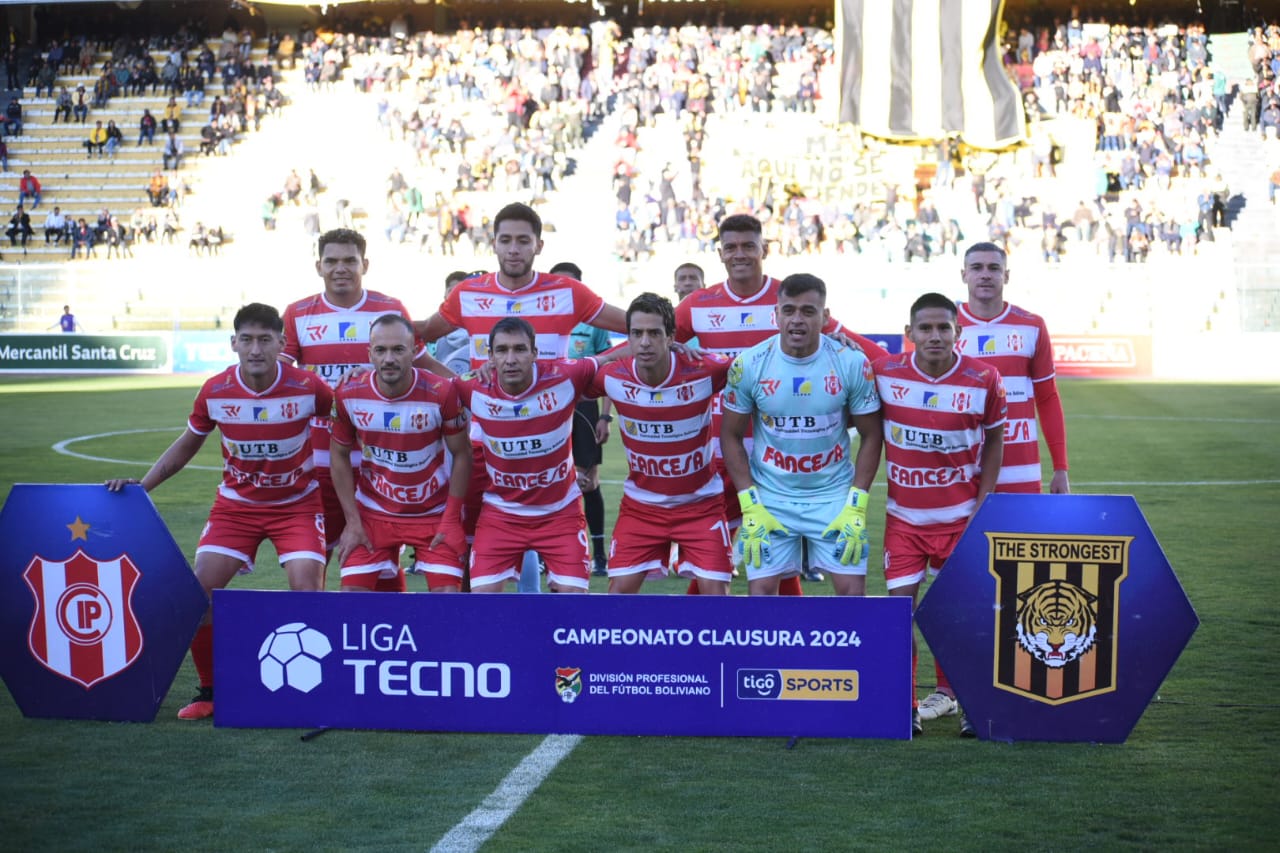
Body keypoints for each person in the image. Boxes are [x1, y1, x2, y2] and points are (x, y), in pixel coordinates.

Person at [105, 303, 334, 720]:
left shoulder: (309, 386)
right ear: (233, 343)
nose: (255, 349)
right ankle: (210, 690)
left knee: (307, 592)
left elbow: (344, 428)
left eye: (265, 340)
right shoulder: (215, 390)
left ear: (282, 344)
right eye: (247, 339)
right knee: (199, 594)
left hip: (297, 507)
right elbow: (187, 444)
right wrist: (143, 486)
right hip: (236, 509)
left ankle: (311, 691)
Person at [674, 213, 889, 593]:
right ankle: (720, 634)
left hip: (822, 485)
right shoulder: (733, 344)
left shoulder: (842, 353)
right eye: (731, 247)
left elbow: (880, 383)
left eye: (749, 246)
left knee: (844, 592)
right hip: (748, 475)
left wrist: (856, 502)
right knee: (731, 576)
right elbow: (650, 338)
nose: (797, 319)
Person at [412, 202, 630, 567]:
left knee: (546, 543)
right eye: (506, 240)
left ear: (539, 246)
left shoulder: (568, 292)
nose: (514, 249)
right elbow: (416, 336)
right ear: (494, 244)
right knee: (471, 548)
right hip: (483, 442)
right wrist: (459, 381)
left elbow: (637, 328)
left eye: (523, 241)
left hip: (548, 441)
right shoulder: (468, 293)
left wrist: (578, 375)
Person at [872, 292, 1006, 737]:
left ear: (958, 332)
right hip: (904, 522)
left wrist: (982, 505)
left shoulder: (984, 378)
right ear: (909, 334)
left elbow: (995, 442)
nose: (934, 336)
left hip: (959, 520)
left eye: (943, 328)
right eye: (925, 328)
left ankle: (969, 703)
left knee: (961, 617)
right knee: (899, 615)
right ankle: (906, 705)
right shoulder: (884, 373)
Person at [280, 228, 442, 575]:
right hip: (322, 459)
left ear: (364, 264)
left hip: (382, 463)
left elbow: (425, 365)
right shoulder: (297, 313)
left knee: (378, 562)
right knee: (316, 560)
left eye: (349, 260)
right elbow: (279, 373)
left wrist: (476, 389)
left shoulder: (390, 308)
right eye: (331, 261)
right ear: (318, 266)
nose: (340, 268)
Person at [720, 273, 883, 597]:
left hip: (834, 496)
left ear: (825, 316)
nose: (797, 319)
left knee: (853, 597)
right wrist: (750, 505)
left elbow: (872, 434)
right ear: (776, 314)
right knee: (761, 597)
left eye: (808, 311)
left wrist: (856, 504)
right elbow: (730, 435)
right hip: (771, 496)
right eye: (789, 310)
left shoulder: (851, 362)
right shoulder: (749, 364)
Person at [454, 317, 618, 593]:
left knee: (573, 600)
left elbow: (614, 356)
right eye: (502, 350)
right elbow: (430, 387)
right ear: (490, 356)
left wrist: (669, 346)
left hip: (560, 514)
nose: (511, 359)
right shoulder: (471, 387)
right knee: (481, 601)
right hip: (501, 515)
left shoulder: (565, 375)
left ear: (534, 353)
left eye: (519, 349)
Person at [589, 293, 735, 594]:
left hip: (701, 506)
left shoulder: (707, 369)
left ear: (671, 337)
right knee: (616, 598)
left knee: (716, 596)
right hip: (641, 508)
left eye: (654, 333)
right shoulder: (612, 375)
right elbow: (555, 380)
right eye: (637, 333)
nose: (645, 342)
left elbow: (762, 370)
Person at [329, 314, 471, 593]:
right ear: (369, 353)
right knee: (350, 602)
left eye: (398, 350)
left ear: (414, 352)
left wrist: (451, 518)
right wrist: (353, 521)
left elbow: (462, 454)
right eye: (380, 350)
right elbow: (339, 455)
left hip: (433, 513)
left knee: (447, 602)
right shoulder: (348, 392)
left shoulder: (442, 392)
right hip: (373, 513)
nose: (389, 359)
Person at [956, 243, 1069, 495]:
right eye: (977, 267)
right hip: (959, 472)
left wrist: (1060, 467)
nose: (985, 274)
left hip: (1021, 471)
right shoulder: (943, 328)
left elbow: (1047, 398)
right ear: (964, 274)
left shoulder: (1032, 326)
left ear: (1006, 275)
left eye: (994, 268)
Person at [549, 259, 614, 577]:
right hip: (547, 406)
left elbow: (607, 368)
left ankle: (598, 555)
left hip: (584, 408)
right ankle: (548, 556)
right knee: (547, 480)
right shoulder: (539, 321)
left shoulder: (593, 323)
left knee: (589, 481)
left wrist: (605, 416)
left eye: (569, 284)